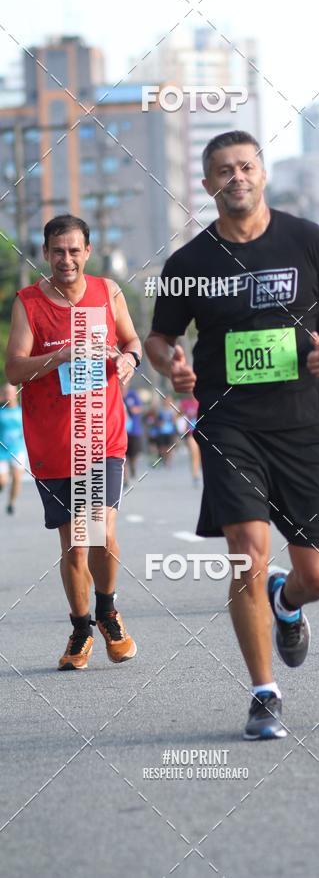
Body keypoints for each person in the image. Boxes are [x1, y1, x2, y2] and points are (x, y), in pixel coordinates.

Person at [145, 130, 319, 740]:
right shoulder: (190, 264)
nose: (236, 177)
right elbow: (159, 338)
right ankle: (264, 693)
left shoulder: (305, 239)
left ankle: (287, 602)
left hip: (302, 421)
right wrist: (170, 363)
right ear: (207, 184)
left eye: (245, 166)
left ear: (262, 174)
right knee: (247, 549)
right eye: (224, 170)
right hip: (229, 424)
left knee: (318, 576)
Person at [5, 213, 140, 671]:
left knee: (100, 530)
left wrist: (130, 360)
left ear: (88, 252)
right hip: (53, 442)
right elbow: (14, 370)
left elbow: (132, 341)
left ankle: (108, 611)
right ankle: (82, 628)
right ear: (45, 253)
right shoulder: (28, 303)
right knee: (75, 546)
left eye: (74, 250)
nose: (67, 259)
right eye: (58, 251)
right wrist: (61, 354)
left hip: (102, 434)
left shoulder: (108, 292)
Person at [0, 383, 26, 515]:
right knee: (2, 480)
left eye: (11, 393)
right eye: (6, 393)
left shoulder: (22, 411)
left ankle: (11, 503)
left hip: (17, 450)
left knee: (17, 477)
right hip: (2, 451)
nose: (8, 395)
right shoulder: (1, 412)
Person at [178, 395, 201, 486]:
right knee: (194, 453)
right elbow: (178, 415)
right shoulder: (185, 403)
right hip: (191, 433)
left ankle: (201, 472)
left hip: (203, 432)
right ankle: (195, 475)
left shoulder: (203, 401)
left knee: (202, 455)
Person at [123, 384, 144, 486]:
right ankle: (125, 479)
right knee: (123, 456)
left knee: (133, 455)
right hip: (122, 432)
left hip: (134, 431)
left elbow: (140, 408)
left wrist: (133, 409)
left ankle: (133, 465)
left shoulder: (133, 395)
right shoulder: (116, 395)